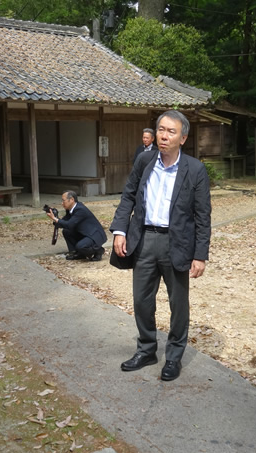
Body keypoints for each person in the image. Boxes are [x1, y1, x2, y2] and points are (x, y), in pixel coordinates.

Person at [111, 110, 211, 381]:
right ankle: (146, 349)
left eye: (171, 132)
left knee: (178, 303)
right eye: (161, 130)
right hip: (143, 239)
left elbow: (203, 216)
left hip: (177, 243)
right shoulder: (145, 160)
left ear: (183, 137)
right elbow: (128, 196)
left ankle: (174, 356)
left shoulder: (195, 169)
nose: (164, 136)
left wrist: (200, 255)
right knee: (141, 299)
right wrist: (120, 231)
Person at [48, 190, 107, 261]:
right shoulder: (70, 209)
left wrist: (55, 218)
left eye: (64, 201)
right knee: (66, 231)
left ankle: (98, 250)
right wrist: (55, 218)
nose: (62, 203)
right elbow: (65, 222)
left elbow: (69, 224)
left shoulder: (80, 209)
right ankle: (78, 253)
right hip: (84, 232)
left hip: (94, 235)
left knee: (81, 246)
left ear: (72, 199)